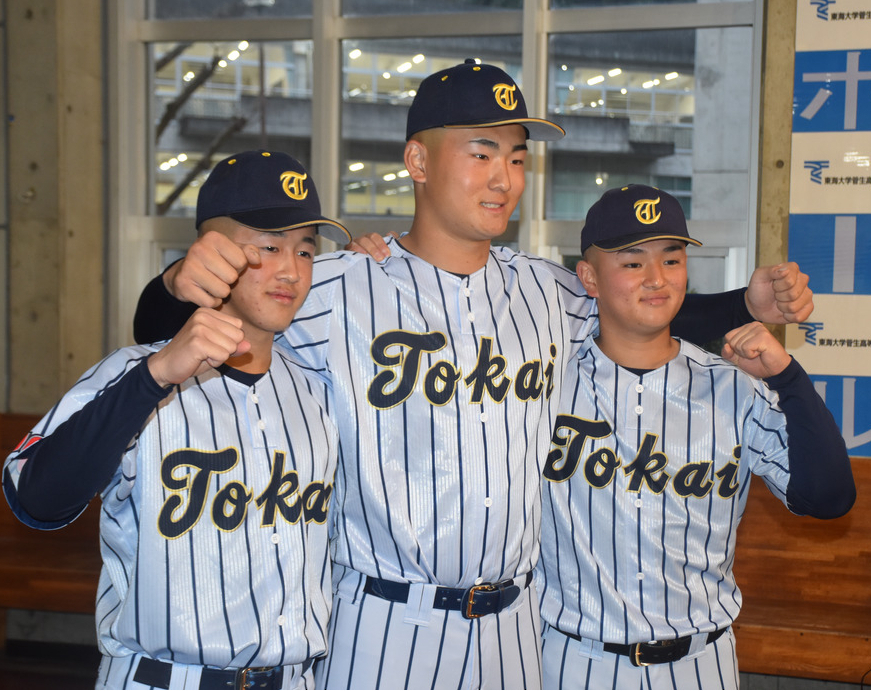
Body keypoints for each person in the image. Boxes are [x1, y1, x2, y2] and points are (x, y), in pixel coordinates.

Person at [132, 61, 814, 689]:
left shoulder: (545, 293)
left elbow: (641, 309)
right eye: (481, 152)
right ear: (418, 159)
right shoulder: (334, 286)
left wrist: (742, 307)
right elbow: (158, 336)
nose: (504, 178)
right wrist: (173, 280)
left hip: (514, 630)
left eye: (516, 157)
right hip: (382, 621)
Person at [3, 150, 352, 690]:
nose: (291, 269)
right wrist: (155, 375)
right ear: (212, 253)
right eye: (269, 246)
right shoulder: (136, 372)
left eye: (305, 250)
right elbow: (36, 498)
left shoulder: (319, 391)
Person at [536, 184, 855, 690]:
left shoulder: (733, 386)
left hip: (700, 664)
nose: (657, 278)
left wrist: (789, 379)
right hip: (573, 661)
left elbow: (829, 497)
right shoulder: (541, 387)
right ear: (589, 277)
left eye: (672, 257)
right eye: (633, 261)